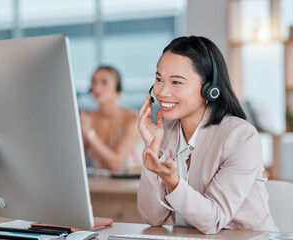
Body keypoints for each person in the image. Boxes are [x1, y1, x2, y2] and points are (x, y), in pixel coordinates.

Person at [137, 36, 278, 234]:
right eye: (159, 79)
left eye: (176, 82)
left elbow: (213, 220)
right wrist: (152, 146)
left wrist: (173, 182)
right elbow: (152, 217)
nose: (162, 92)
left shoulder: (240, 137)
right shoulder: (166, 134)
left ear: (209, 89)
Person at [80, 66, 144, 172]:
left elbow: (116, 163)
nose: (96, 88)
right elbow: (79, 159)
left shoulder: (132, 119)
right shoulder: (89, 119)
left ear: (117, 87)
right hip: (101, 185)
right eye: (94, 82)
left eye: (104, 82)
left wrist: (90, 134)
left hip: (131, 185)